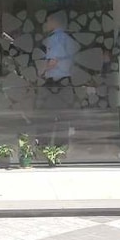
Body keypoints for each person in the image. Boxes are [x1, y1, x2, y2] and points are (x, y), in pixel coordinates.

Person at [38, 12, 78, 142]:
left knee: (46, 116)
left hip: (56, 83)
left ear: (55, 21)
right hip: (66, 81)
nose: (46, 24)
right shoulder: (68, 38)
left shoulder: (56, 38)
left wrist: (41, 72)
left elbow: (53, 61)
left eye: (48, 21)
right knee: (63, 116)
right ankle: (61, 146)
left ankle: (46, 145)